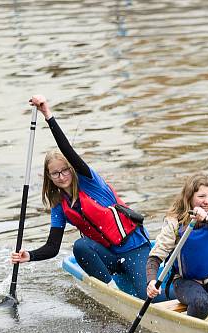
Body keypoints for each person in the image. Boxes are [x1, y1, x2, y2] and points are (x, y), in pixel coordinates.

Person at [10, 95, 154, 299]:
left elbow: (67, 149)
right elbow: (52, 247)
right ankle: (112, 292)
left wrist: (47, 115)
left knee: (150, 297)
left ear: (72, 169)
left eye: (64, 171)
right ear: (49, 177)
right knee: (80, 246)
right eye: (55, 173)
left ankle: (186, 289)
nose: (61, 177)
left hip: (133, 247)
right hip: (109, 255)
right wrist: (29, 256)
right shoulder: (59, 206)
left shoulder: (89, 180)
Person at [146, 172, 208, 318]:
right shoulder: (174, 222)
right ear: (189, 197)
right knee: (201, 302)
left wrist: (206, 217)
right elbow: (155, 257)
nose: (207, 201)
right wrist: (151, 281)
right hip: (185, 282)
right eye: (201, 196)